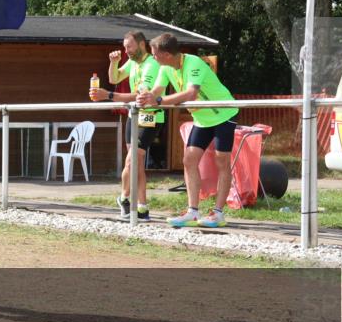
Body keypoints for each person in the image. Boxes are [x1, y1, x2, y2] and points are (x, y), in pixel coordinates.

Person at [137, 33, 239, 228]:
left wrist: (157, 101)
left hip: (223, 114)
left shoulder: (193, 63)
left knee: (221, 161)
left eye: (155, 54)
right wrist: (146, 96)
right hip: (202, 118)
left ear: (166, 54)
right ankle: (192, 211)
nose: (153, 57)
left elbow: (191, 93)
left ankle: (218, 213)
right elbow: (158, 89)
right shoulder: (165, 67)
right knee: (189, 160)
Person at [89, 31, 163, 221]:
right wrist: (114, 62)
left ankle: (128, 200)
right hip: (133, 115)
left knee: (132, 160)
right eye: (124, 47)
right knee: (135, 162)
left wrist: (109, 96)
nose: (126, 51)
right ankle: (138, 205)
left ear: (140, 45)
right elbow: (115, 79)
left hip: (150, 116)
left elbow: (140, 96)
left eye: (129, 47)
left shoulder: (151, 64)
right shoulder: (133, 62)